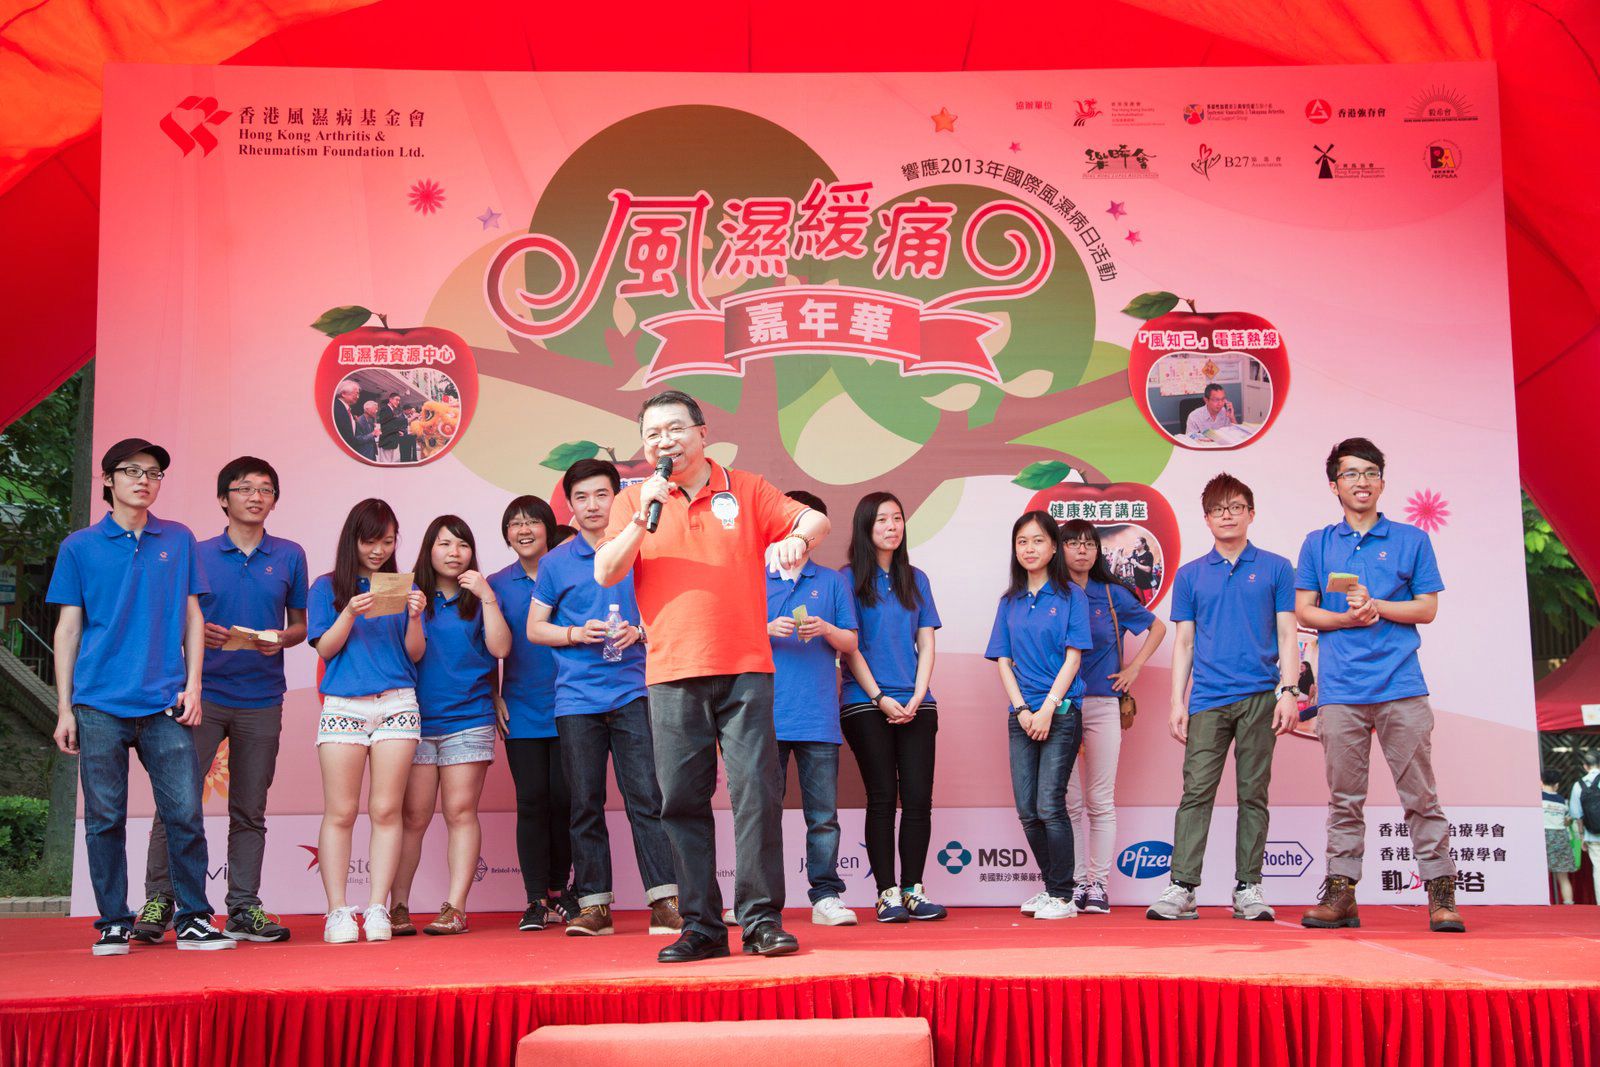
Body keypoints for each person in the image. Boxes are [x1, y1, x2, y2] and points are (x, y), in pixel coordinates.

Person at [595, 390, 829, 963]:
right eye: (652, 434)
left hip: (745, 668)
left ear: (702, 432)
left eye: (675, 429)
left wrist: (797, 538)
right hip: (673, 671)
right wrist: (642, 515)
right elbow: (606, 571)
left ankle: (760, 921)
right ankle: (700, 926)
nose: (664, 441)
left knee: (756, 796)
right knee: (680, 801)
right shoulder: (633, 501)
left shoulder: (744, 488)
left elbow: (813, 518)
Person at [49, 438, 235, 954]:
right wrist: (64, 708)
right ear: (108, 480)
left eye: (153, 473)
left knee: (184, 814)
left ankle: (194, 917)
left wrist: (194, 684)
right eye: (132, 471)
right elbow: (68, 629)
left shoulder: (177, 538)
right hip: (97, 704)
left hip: (164, 702)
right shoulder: (79, 547)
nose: (143, 481)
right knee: (105, 819)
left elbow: (193, 616)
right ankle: (113, 921)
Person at [136, 456, 307, 946]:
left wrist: (282, 638)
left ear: (275, 500)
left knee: (250, 809)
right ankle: (160, 900)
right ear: (223, 499)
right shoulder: (197, 552)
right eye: (245, 488)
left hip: (262, 698)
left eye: (266, 489)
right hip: (201, 695)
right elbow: (170, 617)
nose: (256, 497)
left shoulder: (290, 555)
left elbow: (300, 625)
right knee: (177, 802)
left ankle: (243, 907)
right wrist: (196, 633)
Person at [1295, 438, 1462, 933]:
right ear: (1334, 485)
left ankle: (1441, 894)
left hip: (1401, 685)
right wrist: (1346, 620)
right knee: (1344, 799)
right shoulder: (1317, 543)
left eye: (1370, 472)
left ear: (1383, 483)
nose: (1361, 481)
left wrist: (1377, 608)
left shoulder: (1411, 539)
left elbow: (1427, 608)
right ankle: (1341, 894)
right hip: (1341, 690)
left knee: (1421, 796)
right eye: (1350, 473)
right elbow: (1304, 610)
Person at [529, 459, 681, 938]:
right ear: (569, 505)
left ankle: (666, 901)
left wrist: (640, 631)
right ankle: (594, 905)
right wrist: (574, 633)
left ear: (619, 498)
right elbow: (535, 629)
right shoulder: (555, 563)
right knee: (584, 804)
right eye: (581, 497)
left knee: (647, 799)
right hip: (577, 700)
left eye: (601, 495)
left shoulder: (643, 549)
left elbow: (674, 614)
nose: (592, 505)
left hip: (635, 691)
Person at [1147, 473, 1299, 922]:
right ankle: (1183, 887)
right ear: (1207, 518)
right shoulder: (1190, 575)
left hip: (1260, 696)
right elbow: (1184, 643)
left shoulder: (1276, 568)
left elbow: (1288, 635)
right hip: (1208, 700)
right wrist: (1177, 702)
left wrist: (1289, 691)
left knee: (1254, 793)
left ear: (1251, 513)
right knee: (1196, 791)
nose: (1227, 516)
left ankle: (1248, 886)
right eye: (1218, 509)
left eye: (1235, 507)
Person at [307, 498, 427, 944]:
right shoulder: (326, 587)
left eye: (388, 541)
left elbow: (415, 653)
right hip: (344, 704)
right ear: (352, 540)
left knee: (386, 810)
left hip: (397, 702)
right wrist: (349, 612)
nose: (379, 550)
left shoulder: (401, 586)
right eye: (370, 541)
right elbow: (325, 649)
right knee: (340, 811)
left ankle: (378, 907)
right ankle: (337, 911)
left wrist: (414, 616)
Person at [390, 516, 511, 936]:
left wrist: (488, 597)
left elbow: (500, 648)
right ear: (429, 550)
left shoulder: (480, 598)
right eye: (444, 544)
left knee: (460, 812)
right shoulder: (409, 595)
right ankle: (398, 906)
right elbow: (408, 654)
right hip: (415, 718)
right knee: (413, 817)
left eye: (462, 545)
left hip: (469, 718)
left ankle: (455, 908)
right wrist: (412, 614)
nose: (454, 553)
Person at [840, 491, 947, 923]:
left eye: (898, 518)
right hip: (864, 701)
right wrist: (880, 698)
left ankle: (913, 889)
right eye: (882, 519)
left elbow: (926, 640)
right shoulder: (847, 580)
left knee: (918, 798)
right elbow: (849, 647)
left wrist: (918, 695)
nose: (892, 526)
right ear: (866, 527)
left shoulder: (916, 579)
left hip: (916, 701)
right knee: (883, 797)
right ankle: (886, 893)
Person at [986, 511, 1094, 920]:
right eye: (1022, 542)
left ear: (1053, 548)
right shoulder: (1009, 601)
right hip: (1022, 715)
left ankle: (1064, 896)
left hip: (1060, 713)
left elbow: (1073, 658)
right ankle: (1052, 889)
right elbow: (1003, 660)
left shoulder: (1071, 597)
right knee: (1028, 810)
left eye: (1037, 541)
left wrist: (1047, 708)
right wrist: (1022, 709)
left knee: (1050, 803)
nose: (1029, 549)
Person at [1060, 519, 1167, 914]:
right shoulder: (1053, 593)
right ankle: (1074, 884)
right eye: (1073, 543)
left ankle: (1098, 886)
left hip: (1104, 703)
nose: (1082, 550)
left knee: (1100, 800)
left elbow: (1157, 628)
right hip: (1061, 707)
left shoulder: (1112, 594)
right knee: (1069, 802)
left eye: (1089, 544)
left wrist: (1134, 668)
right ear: (1060, 549)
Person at [765, 490, 860, 926]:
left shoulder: (832, 581)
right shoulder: (754, 578)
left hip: (818, 716)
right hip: (763, 717)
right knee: (761, 814)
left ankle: (825, 896)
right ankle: (759, 899)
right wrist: (766, 628)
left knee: (823, 816)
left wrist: (826, 628)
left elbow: (851, 642)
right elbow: (730, 639)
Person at [488, 495, 575, 932]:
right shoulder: (496, 584)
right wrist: (492, 692)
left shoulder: (569, 572)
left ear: (548, 529)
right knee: (532, 801)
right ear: (507, 534)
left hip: (573, 702)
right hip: (521, 706)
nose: (524, 530)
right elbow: (483, 644)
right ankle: (536, 898)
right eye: (515, 523)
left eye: (532, 522)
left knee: (567, 800)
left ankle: (561, 890)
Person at [1544, 767, 1578, 904]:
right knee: (1563, 877)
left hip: (1543, 837)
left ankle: (1541, 903)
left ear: (1541, 781)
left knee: (1541, 876)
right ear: (1557, 784)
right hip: (1560, 837)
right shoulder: (1561, 800)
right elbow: (1567, 821)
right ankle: (1569, 903)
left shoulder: (1537, 799)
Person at [1570, 751, 1600, 903]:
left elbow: (1577, 815)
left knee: (1598, 869)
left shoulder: (1578, 786)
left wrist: (1582, 837)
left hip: (1592, 835)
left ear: (1585, 766)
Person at [377, 393, 407, 464]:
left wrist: (397, 432)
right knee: (386, 464)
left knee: (389, 463)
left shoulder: (391, 410)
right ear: (390, 399)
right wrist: (408, 419)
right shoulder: (385, 409)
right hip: (386, 442)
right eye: (396, 400)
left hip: (391, 442)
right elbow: (386, 426)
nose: (398, 402)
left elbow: (390, 425)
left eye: (399, 400)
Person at [334, 381, 363, 454]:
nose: (358, 397)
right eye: (356, 393)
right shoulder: (335, 408)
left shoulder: (347, 410)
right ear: (343, 394)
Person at [1129, 538, 1157, 605]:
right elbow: (1122, 562)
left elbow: (1148, 569)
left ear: (1143, 544)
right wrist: (1118, 553)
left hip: (1148, 585)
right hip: (1138, 585)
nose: (1135, 544)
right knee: (1141, 605)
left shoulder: (1148, 554)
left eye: (1137, 542)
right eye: (1135, 542)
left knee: (1150, 605)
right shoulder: (1134, 556)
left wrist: (1136, 563)